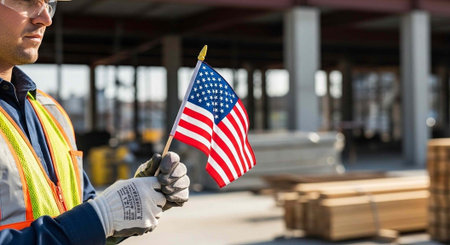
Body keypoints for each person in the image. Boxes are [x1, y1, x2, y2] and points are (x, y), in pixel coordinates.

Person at [0, 0, 190, 244]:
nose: (45, 18)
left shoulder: (50, 112)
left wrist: (131, 202)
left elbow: (79, 212)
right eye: (26, 1)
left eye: (50, 3)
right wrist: (99, 218)